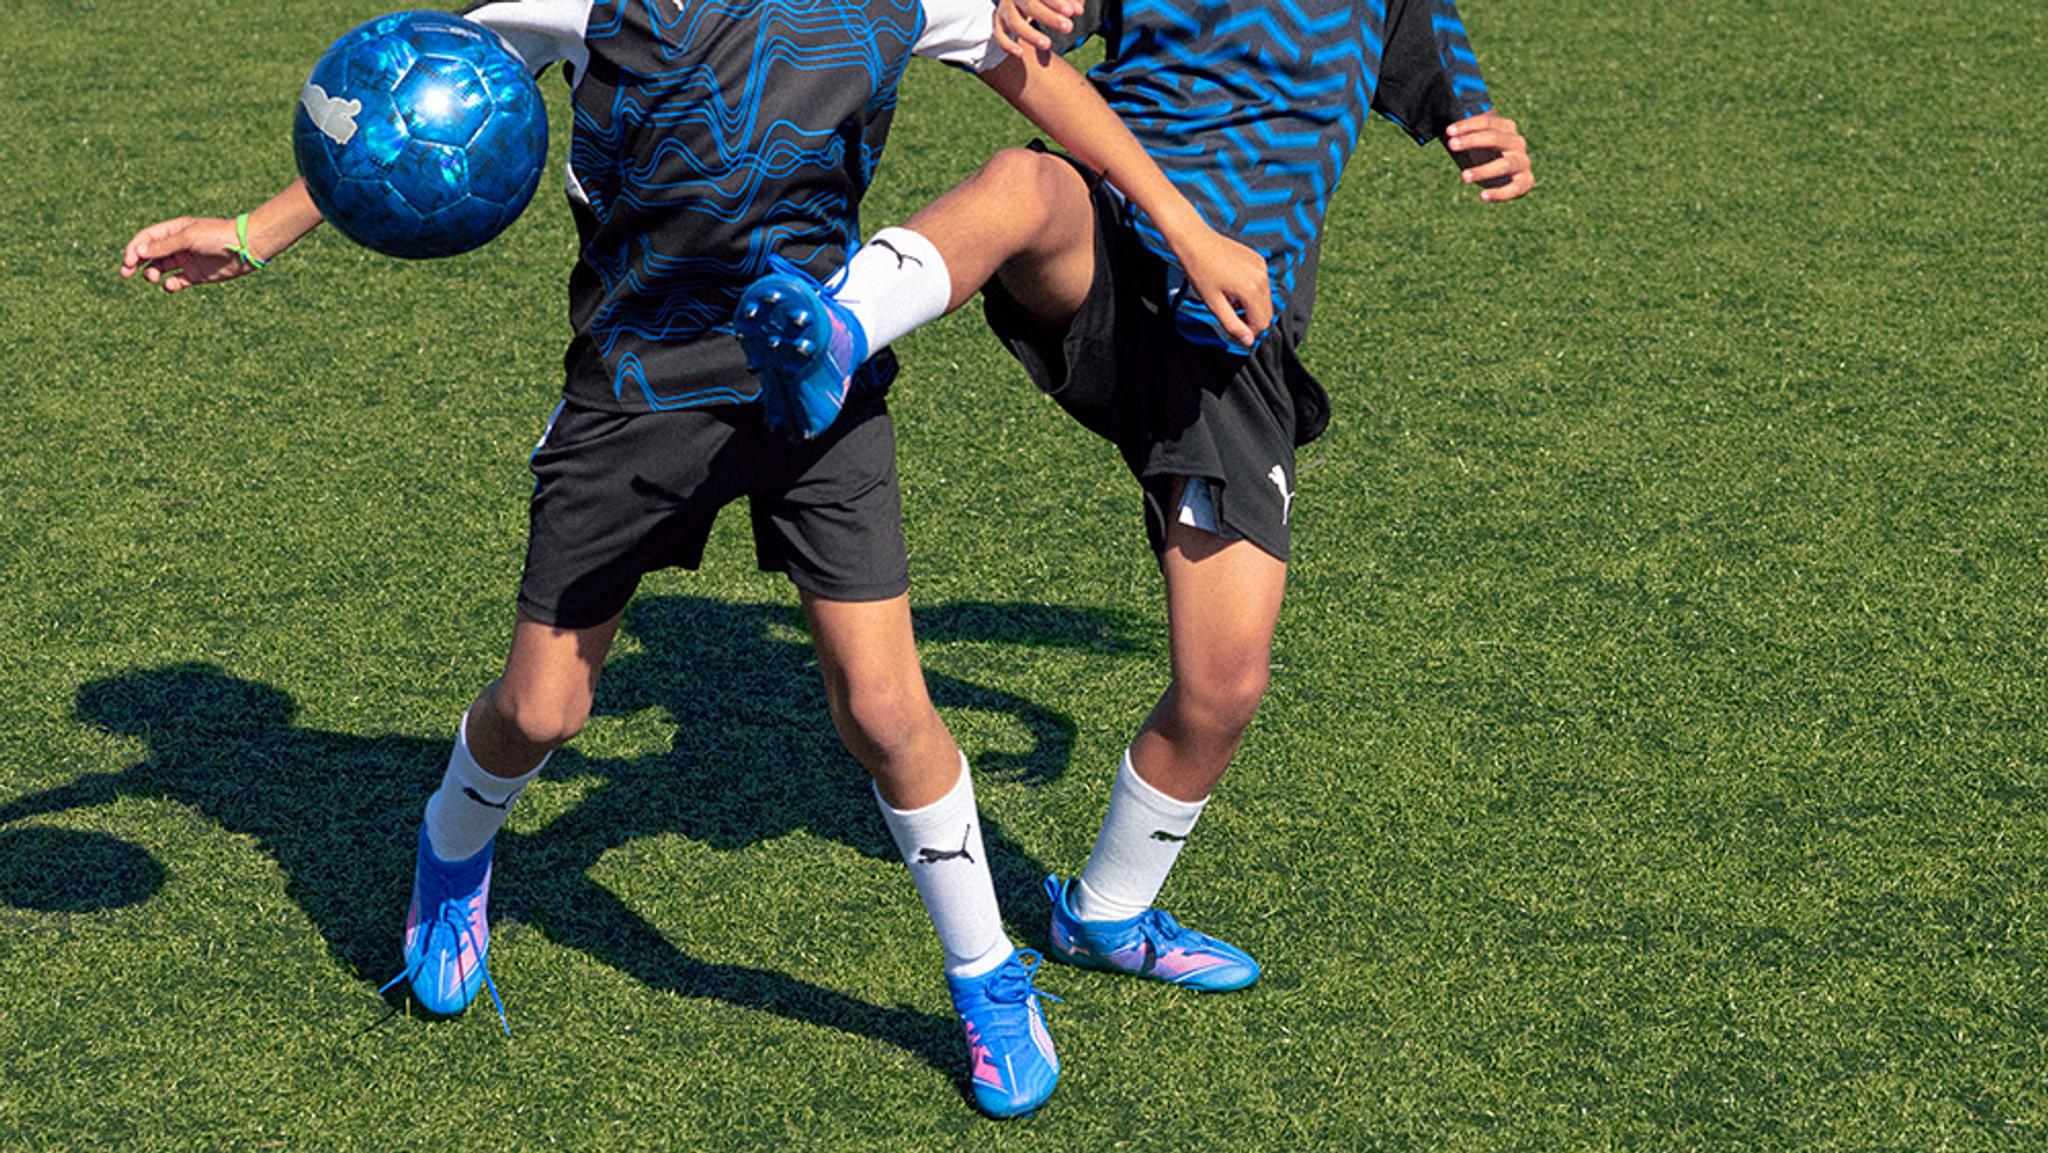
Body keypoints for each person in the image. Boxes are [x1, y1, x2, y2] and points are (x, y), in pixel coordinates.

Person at [118, 0, 1269, 1119]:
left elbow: (1050, 89)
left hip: (815, 386)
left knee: (886, 707)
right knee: (542, 709)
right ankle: (452, 853)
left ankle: (985, 977)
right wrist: (248, 235)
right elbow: (395, 108)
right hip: (632, 402)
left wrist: (1186, 229)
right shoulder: (582, 5)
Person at [733, 0, 1533, 993]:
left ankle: (1107, 913)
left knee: (1223, 686)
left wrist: (1482, 131)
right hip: (1110, 240)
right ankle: (836, 332)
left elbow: (1449, 85)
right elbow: (1040, 25)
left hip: (1230, 340)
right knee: (1026, 183)